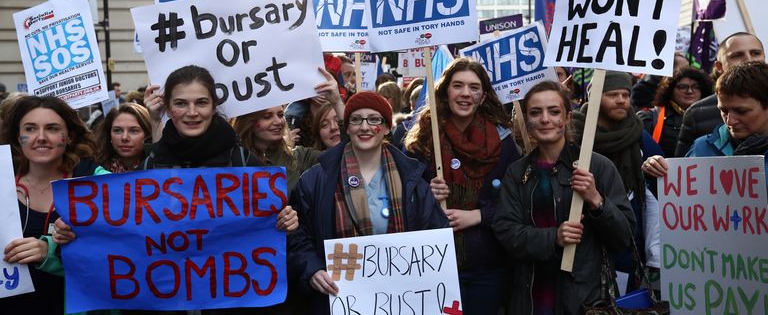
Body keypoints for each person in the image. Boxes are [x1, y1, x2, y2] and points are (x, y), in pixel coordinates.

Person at [138, 65, 298, 314]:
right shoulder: (152, 164)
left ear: (214, 106)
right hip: (170, 298)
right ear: (169, 108)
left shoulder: (243, 161)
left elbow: (270, 222)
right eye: (181, 103)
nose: (192, 112)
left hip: (232, 301)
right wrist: (81, 227)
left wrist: (286, 220)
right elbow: (128, 228)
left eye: (201, 102)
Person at [288, 92, 448, 315]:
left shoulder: (411, 179)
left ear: (386, 127)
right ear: (348, 126)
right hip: (339, 299)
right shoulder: (316, 180)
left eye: (374, 119)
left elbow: (434, 236)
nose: (364, 126)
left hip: (400, 300)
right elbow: (297, 235)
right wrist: (312, 269)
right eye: (356, 119)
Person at [493, 81, 635, 314]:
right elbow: (505, 231)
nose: (545, 119)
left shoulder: (598, 167)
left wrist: (596, 201)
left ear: (568, 117)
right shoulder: (517, 172)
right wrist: (553, 238)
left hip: (586, 300)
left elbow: (624, 238)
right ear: (526, 121)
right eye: (536, 112)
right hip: (531, 298)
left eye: (554, 111)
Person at [404, 57, 520, 314]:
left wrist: (479, 215)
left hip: (487, 266)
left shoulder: (504, 143)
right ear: (445, 91)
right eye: (458, 85)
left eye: (474, 87)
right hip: (432, 265)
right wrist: (426, 194)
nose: (466, 93)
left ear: (483, 95)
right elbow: (400, 200)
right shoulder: (421, 141)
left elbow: (518, 201)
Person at [0, 96, 106, 313]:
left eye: (52, 128)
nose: (40, 137)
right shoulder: (2, 179)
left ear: (68, 137)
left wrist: (52, 250)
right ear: (17, 137)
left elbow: (123, 246)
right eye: (29, 129)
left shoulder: (98, 182)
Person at [571, 71, 663, 282]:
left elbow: (659, 189)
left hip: (628, 242)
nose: (621, 100)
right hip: (582, 240)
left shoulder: (638, 133)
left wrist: (656, 166)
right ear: (594, 96)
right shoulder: (575, 132)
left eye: (625, 94)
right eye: (612, 94)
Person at [644, 61, 768, 180]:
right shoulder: (701, 148)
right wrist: (656, 172)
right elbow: (677, 194)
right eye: (724, 111)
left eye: (742, 111)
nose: (730, 121)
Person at [675, 32, 765, 156]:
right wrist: (660, 167)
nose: (749, 60)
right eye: (737, 55)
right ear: (719, 66)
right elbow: (683, 169)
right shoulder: (697, 115)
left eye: (756, 53)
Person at [637, 68, 712, 159]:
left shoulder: (714, 116)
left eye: (696, 87)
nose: (689, 91)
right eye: (682, 87)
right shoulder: (649, 118)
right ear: (670, 90)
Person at [95, 102, 152, 173]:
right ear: (109, 134)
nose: (124, 138)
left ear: (147, 135)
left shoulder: (157, 166)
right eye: (117, 130)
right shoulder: (94, 169)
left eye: (133, 131)